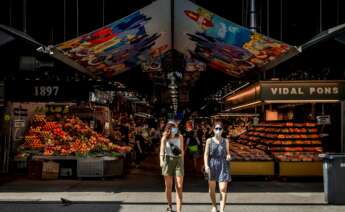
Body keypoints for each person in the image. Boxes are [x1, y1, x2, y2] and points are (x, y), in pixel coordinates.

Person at [204, 121, 232, 212]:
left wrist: (228, 156)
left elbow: (228, 153)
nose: (218, 130)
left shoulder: (226, 141)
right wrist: (206, 165)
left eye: (220, 128)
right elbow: (206, 154)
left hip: (223, 164)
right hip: (212, 164)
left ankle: (222, 209)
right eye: (216, 128)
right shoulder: (209, 140)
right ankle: (214, 206)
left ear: (223, 130)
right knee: (212, 189)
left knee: (223, 188)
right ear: (213, 129)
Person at [159, 121, 184, 212]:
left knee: (179, 186)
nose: (174, 130)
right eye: (171, 128)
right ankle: (170, 206)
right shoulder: (164, 138)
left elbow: (182, 150)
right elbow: (161, 151)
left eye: (175, 128)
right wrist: (161, 161)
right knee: (168, 186)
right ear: (168, 129)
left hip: (178, 160)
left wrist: (182, 163)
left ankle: (179, 210)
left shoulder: (180, 137)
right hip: (168, 160)